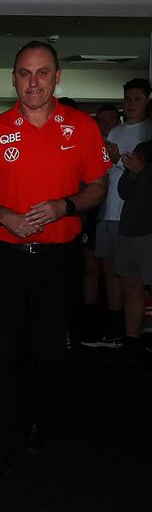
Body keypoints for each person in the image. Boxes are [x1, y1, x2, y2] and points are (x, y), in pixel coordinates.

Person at [0, 41, 110, 484]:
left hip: (58, 260)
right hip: (6, 258)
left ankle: (37, 421)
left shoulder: (82, 128)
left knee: (48, 353)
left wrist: (66, 206)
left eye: (42, 73)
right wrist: (4, 215)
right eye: (24, 73)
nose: (33, 82)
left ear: (57, 77)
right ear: (13, 78)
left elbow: (98, 186)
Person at [84, 79, 152, 349]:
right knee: (116, 275)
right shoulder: (116, 132)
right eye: (128, 99)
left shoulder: (148, 132)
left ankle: (139, 332)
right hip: (111, 211)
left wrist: (131, 169)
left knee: (137, 279)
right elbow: (106, 172)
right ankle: (120, 331)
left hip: (140, 216)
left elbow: (138, 174)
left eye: (137, 99)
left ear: (147, 100)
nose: (132, 104)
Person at [78, 103, 124, 345]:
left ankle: (114, 326)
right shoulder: (88, 146)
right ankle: (89, 321)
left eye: (111, 119)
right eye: (102, 119)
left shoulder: (125, 147)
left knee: (112, 271)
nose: (106, 124)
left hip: (115, 217)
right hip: (92, 215)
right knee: (90, 269)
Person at [115, 139, 152, 359]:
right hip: (128, 233)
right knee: (132, 289)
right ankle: (132, 340)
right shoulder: (141, 153)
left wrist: (143, 171)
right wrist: (133, 172)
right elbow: (123, 191)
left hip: (149, 233)